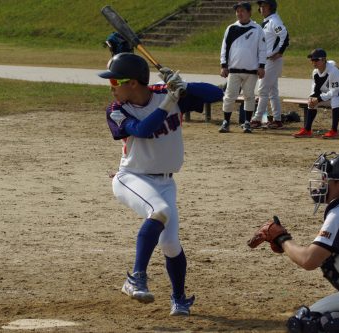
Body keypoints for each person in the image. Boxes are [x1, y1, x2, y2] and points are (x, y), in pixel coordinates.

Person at [98, 53, 223, 316]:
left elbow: (216, 94)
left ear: (132, 82)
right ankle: (136, 278)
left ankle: (179, 299)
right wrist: (169, 101)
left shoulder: (163, 92)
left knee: (171, 244)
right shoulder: (116, 109)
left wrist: (185, 87)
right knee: (160, 210)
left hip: (166, 182)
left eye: (114, 82)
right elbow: (142, 129)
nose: (111, 88)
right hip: (132, 178)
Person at [248, 152, 339, 332]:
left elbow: (309, 260)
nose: (322, 183)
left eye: (327, 179)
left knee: (305, 322)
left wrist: (282, 238)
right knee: (330, 257)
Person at [219, 1, 266, 133]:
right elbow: (224, 48)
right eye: (237, 11)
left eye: (242, 11)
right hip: (234, 70)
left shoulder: (257, 29)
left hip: (252, 71)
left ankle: (247, 123)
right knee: (229, 96)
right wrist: (223, 65)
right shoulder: (231, 28)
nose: (239, 13)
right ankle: (226, 122)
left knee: (249, 96)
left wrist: (261, 66)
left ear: (249, 12)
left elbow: (262, 49)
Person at [293, 49, 339, 139]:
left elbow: (334, 92)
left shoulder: (333, 71)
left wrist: (319, 99)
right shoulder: (315, 72)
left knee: (335, 100)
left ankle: (334, 132)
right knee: (312, 101)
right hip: (338, 95)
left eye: (316, 60)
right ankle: (307, 130)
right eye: (312, 60)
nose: (314, 62)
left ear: (324, 59)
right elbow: (315, 90)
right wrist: (312, 98)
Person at [250, 0, 289, 129]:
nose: (261, 9)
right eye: (260, 7)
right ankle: (277, 120)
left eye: (264, 6)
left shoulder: (274, 21)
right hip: (267, 60)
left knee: (263, 90)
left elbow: (285, 35)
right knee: (272, 91)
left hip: (272, 60)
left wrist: (280, 52)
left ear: (271, 8)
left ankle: (257, 119)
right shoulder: (267, 21)